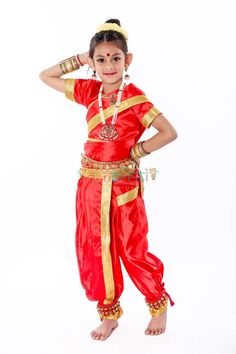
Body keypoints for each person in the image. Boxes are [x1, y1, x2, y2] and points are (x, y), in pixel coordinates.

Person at [39, 18, 178, 341]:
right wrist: (80, 59)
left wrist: (137, 151)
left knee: (131, 247)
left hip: (123, 186)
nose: (108, 65)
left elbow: (169, 132)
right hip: (89, 185)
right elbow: (46, 76)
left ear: (127, 60)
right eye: (100, 59)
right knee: (95, 248)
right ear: (93, 63)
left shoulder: (136, 98)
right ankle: (109, 313)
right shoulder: (89, 91)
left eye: (115, 57)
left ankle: (157, 304)